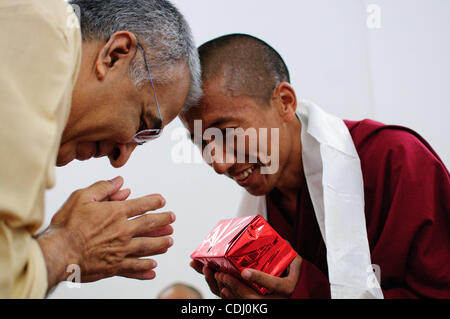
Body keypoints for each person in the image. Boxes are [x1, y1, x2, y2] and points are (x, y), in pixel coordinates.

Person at [182, 34, 450, 299]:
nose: (219, 163)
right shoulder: (261, 216)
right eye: (201, 143)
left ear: (284, 102)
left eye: (228, 133)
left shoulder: (394, 159)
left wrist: (308, 293)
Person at [0, 0, 201, 298]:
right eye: (145, 124)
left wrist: (60, 244)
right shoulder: (41, 36)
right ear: (114, 55)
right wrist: (69, 247)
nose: (120, 160)